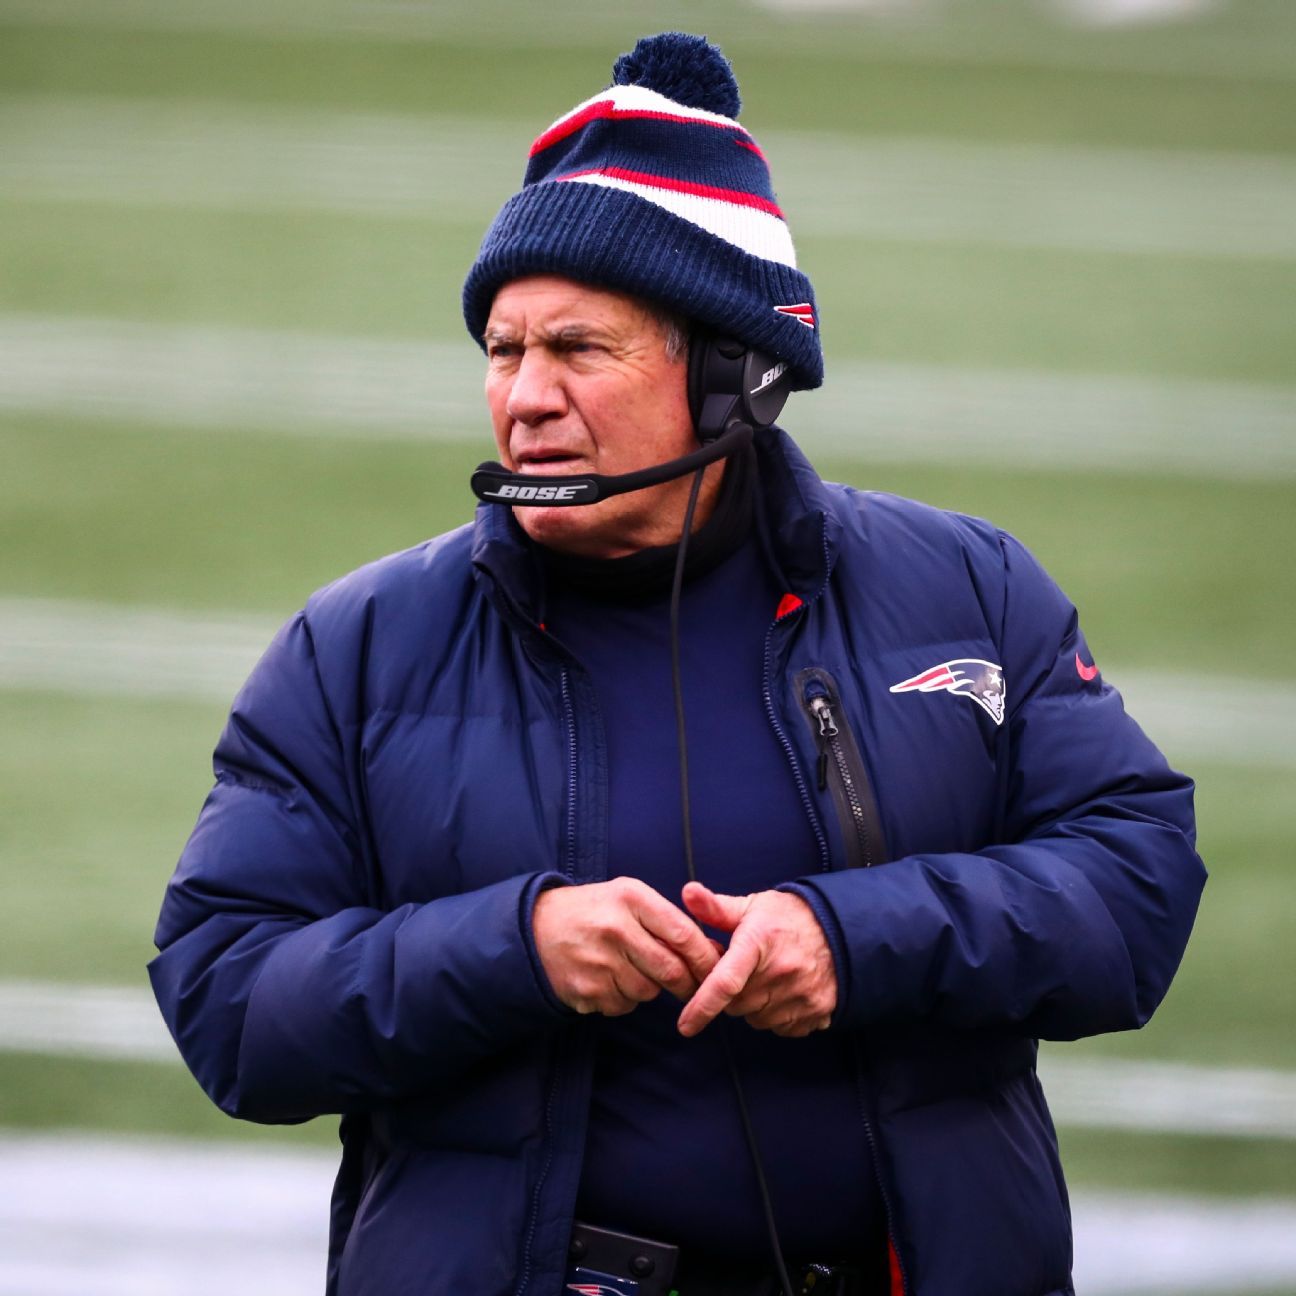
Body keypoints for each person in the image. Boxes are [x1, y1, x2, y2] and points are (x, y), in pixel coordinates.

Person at [150, 32, 1205, 1296]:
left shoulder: (967, 589)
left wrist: (857, 940)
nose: (524, 397)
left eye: (578, 349)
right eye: (503, 351)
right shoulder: (361, 645)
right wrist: (516, 948)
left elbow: (1135, 886)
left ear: (730, 375)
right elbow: (229, 999)